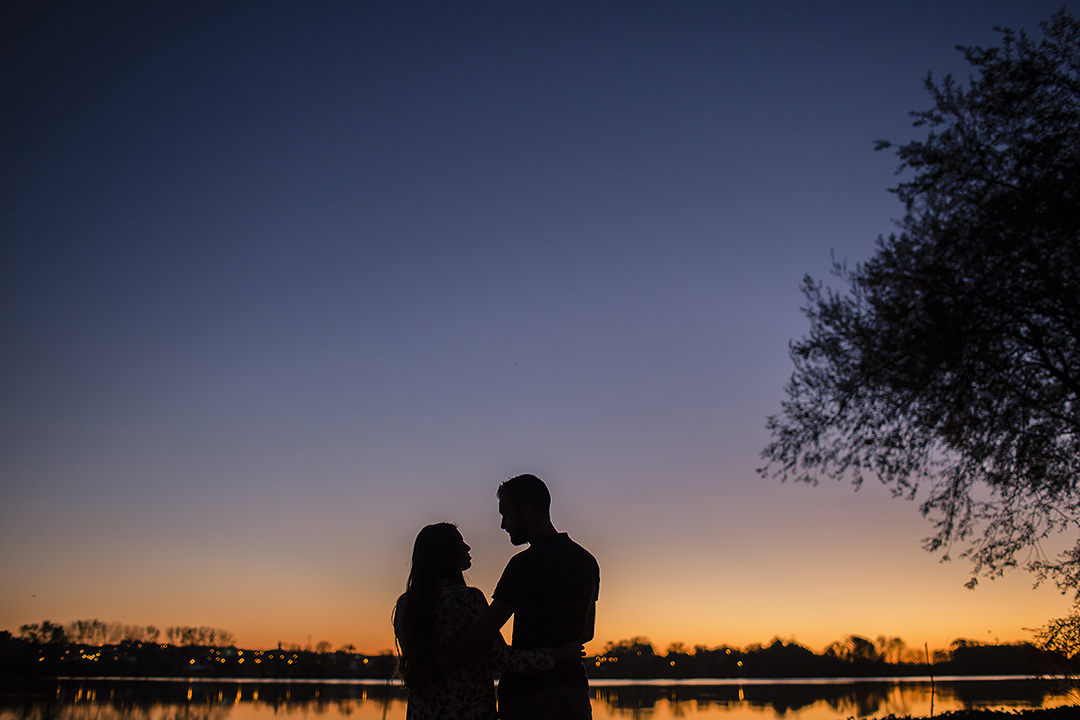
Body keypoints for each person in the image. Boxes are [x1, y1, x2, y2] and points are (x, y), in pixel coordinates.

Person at [392, 522, 579, 720]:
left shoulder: (407, 605)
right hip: (469, 712)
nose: (468, 548)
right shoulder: (468, 600)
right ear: (446, 553)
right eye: (460, 543)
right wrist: (558, 655)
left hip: (422, 713)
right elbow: (500, 658)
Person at [467, 474, 601, 720]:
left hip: (527, 696)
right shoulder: (587, 561)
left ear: (526, 509)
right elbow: (586, 633)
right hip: (574, 693)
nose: (503, 524)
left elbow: (484, 632)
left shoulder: (524, 564)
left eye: (505, 514)